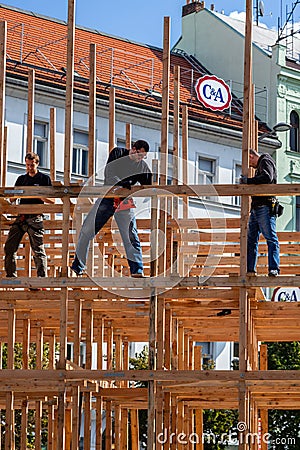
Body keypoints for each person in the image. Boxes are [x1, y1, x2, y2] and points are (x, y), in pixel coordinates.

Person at [71, 139, 152, 277]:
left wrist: (151, 185)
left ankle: (137, 270)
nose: (139, 159)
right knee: (86, 230)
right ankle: (78, 266)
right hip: (107, 198)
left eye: (142, 157)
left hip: (124, 202)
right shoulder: (118, 153)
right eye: (138, 155)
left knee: (131, 236)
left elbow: (149, 182)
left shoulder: (141, 166)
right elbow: (109, 174)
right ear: (133, 149)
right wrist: (122, 183)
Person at [4, 152, 53, 278]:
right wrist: (12, 198)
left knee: (38, 250)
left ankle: (42, 280)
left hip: (35, 217)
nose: (29, 168)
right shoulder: (21, 179)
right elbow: (12, 198)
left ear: (37, 164)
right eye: (27, 165)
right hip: (21, 217)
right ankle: (11, 277)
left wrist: (37, 194)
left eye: (31, 165)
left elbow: (52, 200)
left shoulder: (44, 179)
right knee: (9, 248)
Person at [240, 148, 280, 277]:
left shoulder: (265, 160)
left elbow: (267, 177)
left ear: (251, 156)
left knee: (271, 238)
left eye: (249, 163)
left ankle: (274, 268)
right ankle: (250, 270)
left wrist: (249, 181)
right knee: (251, 240)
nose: (251, 166)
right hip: (257, 208)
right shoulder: (261, 165)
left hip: (265, 207)